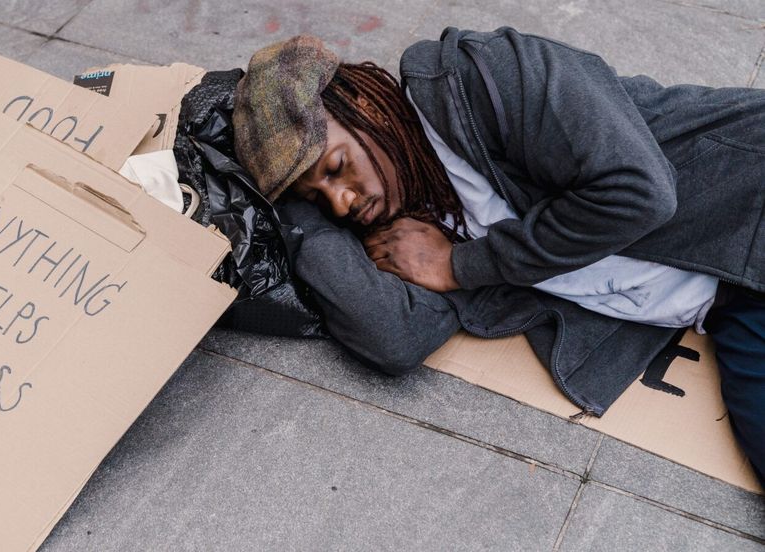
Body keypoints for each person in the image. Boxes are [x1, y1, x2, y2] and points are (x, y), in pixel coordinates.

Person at [231, 31, 765, 484]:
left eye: (335, 166)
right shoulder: (416, 218)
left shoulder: (485, 77)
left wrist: (459, 267)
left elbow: (640, 194)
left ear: (367, 108)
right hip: (728, 306)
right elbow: (394, 336)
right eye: (320, 198)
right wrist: (287, 208)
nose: (343, 201)